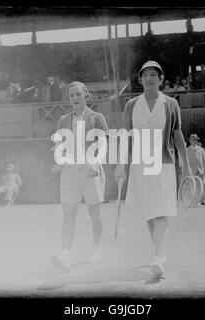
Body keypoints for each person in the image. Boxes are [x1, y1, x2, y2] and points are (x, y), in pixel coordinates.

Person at [114, 61, 192, 278]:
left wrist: (185, 163)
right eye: (145, 75)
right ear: (140, 79)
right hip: (139, 165)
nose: (149, 78)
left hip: (164, 164)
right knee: (149, 212)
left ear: (161, 79)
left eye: (153, 75)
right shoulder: (131, 105)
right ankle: (158, 253)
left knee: (161, 211)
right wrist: (120, 164)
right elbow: (125, 137)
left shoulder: (170, 104)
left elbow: (177, 135)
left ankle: (159, 256)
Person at [50, 81, 108, 270]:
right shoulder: (63, 120)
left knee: (94, 213)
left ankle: (97, 249)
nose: (74, 98)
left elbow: (103, 144)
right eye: (71, 95)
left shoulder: (97, 118)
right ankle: (65, 254)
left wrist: (94, 162)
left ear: (86, 96)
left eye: (78, 94)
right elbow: (59, 146)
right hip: (70, 172)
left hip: (91, 171)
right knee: (68, 215)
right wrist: (59, 161)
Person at [187, 134, 205, 205]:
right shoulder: (187, 150)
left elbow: (204, 160)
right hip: (192, 170)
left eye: (195, 140)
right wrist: (187, 170)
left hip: (200, 169)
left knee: (203, 185)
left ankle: (203, 199)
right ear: (190, 141)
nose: (194, 141)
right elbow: (186, 161)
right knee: (193, 185)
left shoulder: (201, 150)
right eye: (192, 140)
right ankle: (194, 200)